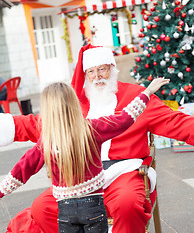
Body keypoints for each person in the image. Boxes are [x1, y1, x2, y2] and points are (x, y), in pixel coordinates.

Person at [0, 44, 194, 233]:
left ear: (113, 68)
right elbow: (39, 125)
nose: (97, 76)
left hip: (123, 171)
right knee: (42, 208)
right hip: (78, 177)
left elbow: (175, 122)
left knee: (127, 205)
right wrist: (8, 126)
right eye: (91, 72)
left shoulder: (134, 96)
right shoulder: (76, 102)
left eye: (102, 69)